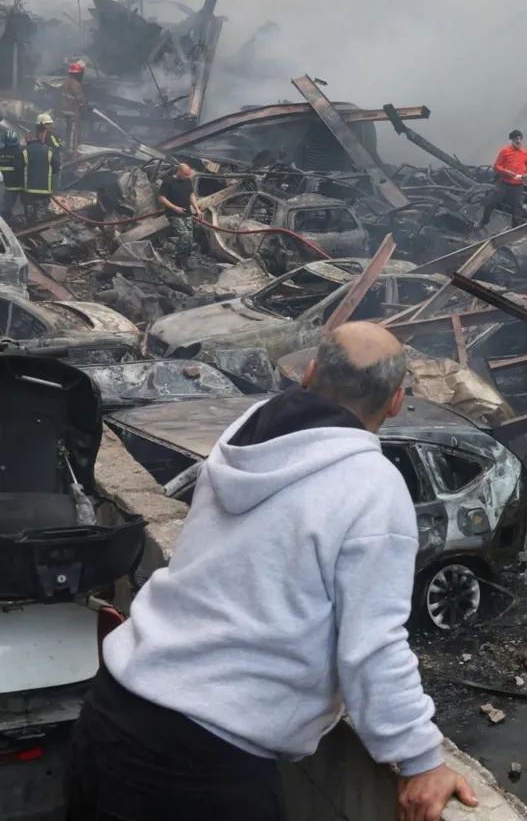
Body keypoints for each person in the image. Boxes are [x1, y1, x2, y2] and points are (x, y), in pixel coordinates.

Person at [67, 323, 477, 821]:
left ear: (308, 373)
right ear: (395, 402)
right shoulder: (372, 485)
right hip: (201, 767)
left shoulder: (247, 436)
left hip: (110, 710)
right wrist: (420, 758)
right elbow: (373, 644)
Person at [480, 130, 527, 227]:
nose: (518, 141)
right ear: (512, 140)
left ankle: (516, 229)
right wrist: (505, 172)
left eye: (520, 138)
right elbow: (496, 165)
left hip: (518, 185)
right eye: (516, 139)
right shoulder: (505, 151)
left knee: (517, 208)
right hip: (504, 183)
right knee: (491, 202)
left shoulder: (525, 153)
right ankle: (483, 222)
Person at [158, 163, 203, 267]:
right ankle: (177, 260)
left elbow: (191, 194)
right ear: (179, 172)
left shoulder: (187, 181)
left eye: (189, 174)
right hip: (174, 214)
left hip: (187, 213)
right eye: (186, 174)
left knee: (190, 240)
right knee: (184, 237)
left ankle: (185, 258)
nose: (188, 176)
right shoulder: (168, 181)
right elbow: (161, 197)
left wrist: (197, 209)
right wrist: (175, 208)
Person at [19, 115, 61, 226]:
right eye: (48, 123)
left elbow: (19, 168)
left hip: (28, 191)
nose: (50, 126)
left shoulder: (24, 151)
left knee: (30, 219)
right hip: (44, 191)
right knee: (41, 221)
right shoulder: (49, 150)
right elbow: (56, 168)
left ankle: (30, 230)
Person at [62, 61, 86, 157]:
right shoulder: (75, 83)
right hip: (72, 111)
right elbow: (79, 97)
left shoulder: (67, 81)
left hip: (66, 109)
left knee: (68, 131)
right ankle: (72, 152)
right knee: (73, 132)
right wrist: (84, 105)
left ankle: (68, 149)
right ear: (78, 74)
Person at [0, 129, 21, 222]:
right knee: (9, 208)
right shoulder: (19, 153)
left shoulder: (0, 152)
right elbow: (21, 168)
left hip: (2, 185)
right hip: (14, 186)